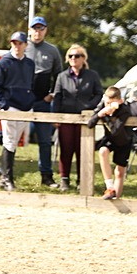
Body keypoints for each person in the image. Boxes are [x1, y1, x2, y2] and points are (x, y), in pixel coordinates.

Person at [50, 43, 104, 191]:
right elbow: (57, 97)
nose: (74, 58)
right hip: (66, 117)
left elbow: (99, 94)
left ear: (83, 58)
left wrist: (89, 107)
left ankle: (82, 179)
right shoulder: (62, 76)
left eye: (77, 56)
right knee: (66, 149)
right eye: (71, 56)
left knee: (83, 150)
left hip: (85, 119)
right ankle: (64, 179)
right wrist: (56, 117)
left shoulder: (92, 75)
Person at [0, 31, 36, 191]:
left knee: (14, 142)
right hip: (10, 107)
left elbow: (32, 85)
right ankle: (7, 178)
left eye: (20, 43)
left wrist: (31, 101)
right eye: (14, 43)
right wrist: (4, 106)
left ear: (25, 45)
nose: (17, 46)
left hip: (25, 107)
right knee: (9, 141)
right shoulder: (3, 63)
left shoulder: (30, 64)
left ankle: (3, 175)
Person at [25, 16, 63, 187]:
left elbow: (59, 76)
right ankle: (5, 174)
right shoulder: (22, 46)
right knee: (11, 138)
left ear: (45, 30)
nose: (37, 32)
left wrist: (52, 94)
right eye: (35, 28)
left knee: (45, 140)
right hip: (22, 101)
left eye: (41, 29)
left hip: (43, 101)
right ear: (29, 30)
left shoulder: (52, 50)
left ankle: (46, 176)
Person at [88, 86, 136, 200]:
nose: (109, 105)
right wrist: (100, 114)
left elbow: (115, 131)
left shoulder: (124, 110)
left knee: (119, 172)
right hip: (110, 139)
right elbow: (90, 124)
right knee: (102, 151)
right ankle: (110, 187)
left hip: (124, 140)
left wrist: (107, 117)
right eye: (107, 102)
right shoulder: (103, 106)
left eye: (112, 103)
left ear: (120, 101)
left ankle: (116, 197)